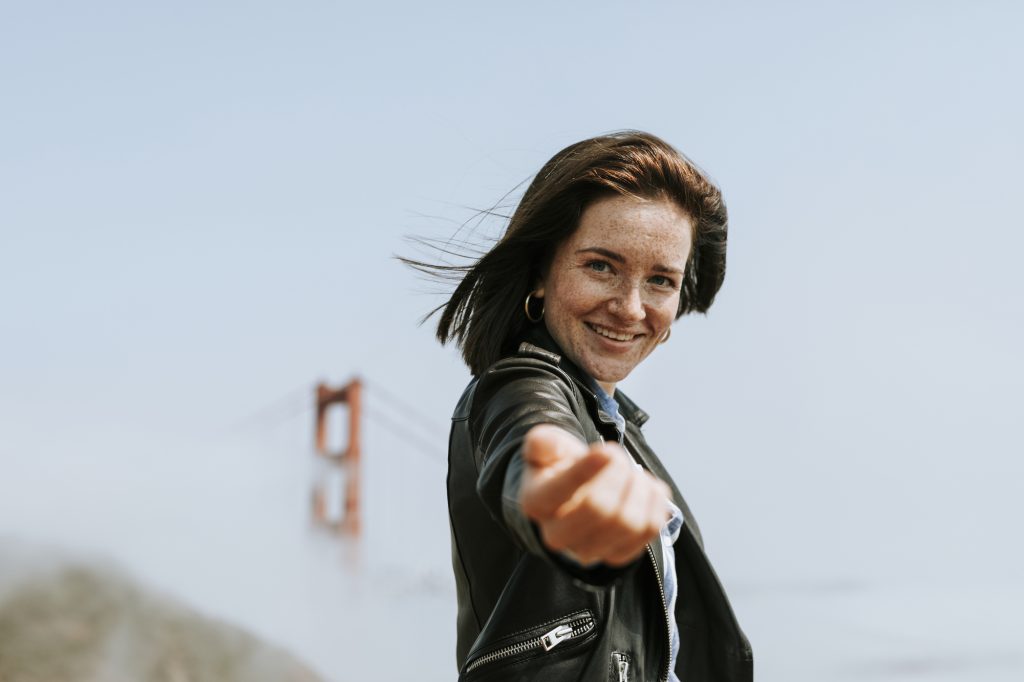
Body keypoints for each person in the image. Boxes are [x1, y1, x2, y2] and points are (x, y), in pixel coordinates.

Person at [420, 131, 752, 681]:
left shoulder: (620, 430)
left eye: (660, 281)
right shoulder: (519, 387)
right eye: (601, 266)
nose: (629, 307)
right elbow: (532, 444)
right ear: (540, 275)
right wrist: (560, 495)